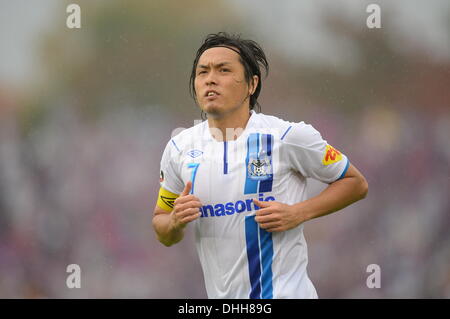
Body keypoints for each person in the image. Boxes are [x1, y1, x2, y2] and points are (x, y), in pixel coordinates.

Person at [152, 32, 368, 299]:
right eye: (202, 72)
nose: (210, 78)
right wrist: (174, 222)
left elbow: (356, 183)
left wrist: (299, 212)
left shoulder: (288, 137)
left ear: (251, 84)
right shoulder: (179, 148)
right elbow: (161, 224)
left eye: (223, 70)